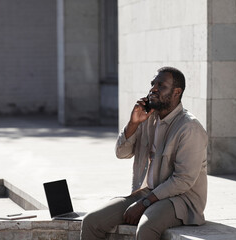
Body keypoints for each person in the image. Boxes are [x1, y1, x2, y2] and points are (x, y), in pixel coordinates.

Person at [81, 66, 208, 240]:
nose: (153, 89)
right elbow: (121, 153)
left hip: (181, 200)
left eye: (161, 86)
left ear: (177, 92)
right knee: (91, 221)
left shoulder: (190, 127)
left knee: (146, 228)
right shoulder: (147, 118)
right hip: (145, 193)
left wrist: (144, 203)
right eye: (152, 84)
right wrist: (133, 123)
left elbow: (183, 180)